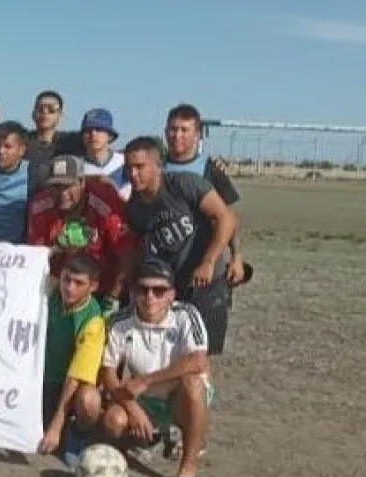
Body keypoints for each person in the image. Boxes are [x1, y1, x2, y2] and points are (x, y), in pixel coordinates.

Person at [100, 259, 214, 477]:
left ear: (172, 294)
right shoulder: (120, 322)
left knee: (194, 383)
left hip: (179, 396)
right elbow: (108, 372)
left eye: (159, 291)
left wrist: (145, 380)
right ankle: (152, 438)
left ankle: (187, 472)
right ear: (133, 292)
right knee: (113, 421)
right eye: (143, 289)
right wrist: (132, 407)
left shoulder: (186, 315)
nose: (150, 297)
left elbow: (198, 361)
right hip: (146, 401)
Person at [124, 136, 238, 355]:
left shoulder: (184, 184)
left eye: (139, 166)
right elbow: (136, 249)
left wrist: (209, 261)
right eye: (129, 167)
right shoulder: (134, 207)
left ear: (158, 166)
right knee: (169, 352)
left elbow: (226, 218)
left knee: (200, 353)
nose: (133, 174)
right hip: (170, 288)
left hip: (205, 282)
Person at [28, 155, 133, 313]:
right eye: (56, 186)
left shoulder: (106, 203)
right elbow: (36, 257)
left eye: (68, 186)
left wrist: (112, 298)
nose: (63, 193)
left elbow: (126, 256)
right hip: (61, 285)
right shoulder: (40, 205)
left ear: (82, 182)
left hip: (103, 286)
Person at [164, 104, 250, 288]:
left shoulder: (211, 169)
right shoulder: (155, 167)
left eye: (184, 130)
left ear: (198, 134)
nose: (177, 135)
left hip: (204, 268)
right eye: (173, 129)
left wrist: (237, 256)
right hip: (165, 268)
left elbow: (230, 217)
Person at [39, 254, 106, 464]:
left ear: (93, 286)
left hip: (70, 387)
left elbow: (76, 377)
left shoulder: (93, 321)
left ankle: (77, 433)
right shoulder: (49, 292)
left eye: (79, 283)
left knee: (90, 401)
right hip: (39, 380)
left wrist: (56, 425)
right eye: (66, 279)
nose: (69, 288)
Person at [0, 121, 42, 243]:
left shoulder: (34, 174)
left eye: (7, 146)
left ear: (21, 150)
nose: (0, 151)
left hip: (17, 251)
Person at [79, 108, 130, 200]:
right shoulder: (76, 167)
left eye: (99, 129)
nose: (93, 134)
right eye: (88, 130)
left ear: (110, 135)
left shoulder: (126, 162)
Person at [25, 90, 82, 170]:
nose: (45, 113)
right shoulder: (22, 141)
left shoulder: (71, 141)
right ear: (33, 113)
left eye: (51, 109)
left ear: (60, 115)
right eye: (40, 109)